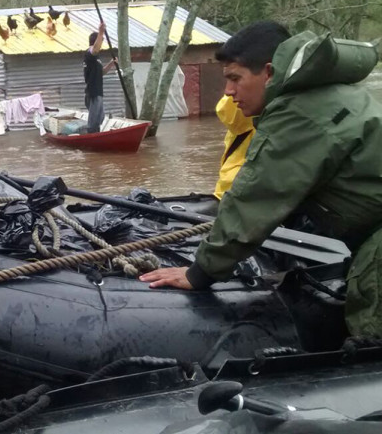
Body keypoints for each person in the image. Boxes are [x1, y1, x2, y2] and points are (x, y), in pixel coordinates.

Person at [139, 20, 382, 337]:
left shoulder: (298, 114)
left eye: (235, 78)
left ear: (269, 73)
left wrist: (199, 274)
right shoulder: (328, 94)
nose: (228, 91)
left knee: (370, 332)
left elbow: (255, 199)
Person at [213, 95, 255, 200]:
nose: (229, 90)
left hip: (236, 196)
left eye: (236, 79)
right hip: (229, 194)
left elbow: (227, 113)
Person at [84, 22, 117, 133]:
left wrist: (111, 64)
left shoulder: (96, 59)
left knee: (100, 117)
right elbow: (95, 49)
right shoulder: (90, 54)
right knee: (93, 121)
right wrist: (101, 32)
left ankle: (96, 134)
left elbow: (101, 72)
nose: (101, 45)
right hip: (93, 92)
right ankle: (91, 138)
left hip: (98, 92)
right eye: (101, 41)